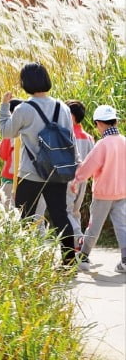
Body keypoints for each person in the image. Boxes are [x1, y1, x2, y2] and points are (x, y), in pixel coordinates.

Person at [0, 62, 76, 267]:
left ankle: (26, 262)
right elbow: (70, 139)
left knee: (24, 216)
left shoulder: (24, 108)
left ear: (25, 82)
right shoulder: (63, 107)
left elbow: (6, 132)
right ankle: (69, 262)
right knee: (61, 216)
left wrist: (4, 107)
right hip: (57, 172)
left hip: (31, 173)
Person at [70, 105, 126, 272]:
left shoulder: (103, 144)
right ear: (115, 121)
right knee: (123, 225)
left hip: (103, 193)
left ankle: (84, 256)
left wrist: (76, 179)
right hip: (122, 192)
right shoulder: (124, 141)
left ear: (99, 124)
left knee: (94, 226)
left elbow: (89, 165)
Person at [64, 100, 95, 250]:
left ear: (71, 116)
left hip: (69, 179)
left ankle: (79, 239)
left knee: (66, 211)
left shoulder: (67, 135)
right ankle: (77, 243)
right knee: (75, 211)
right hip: (84, 180)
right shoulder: (89, 138)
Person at [0, 98, 23, 208]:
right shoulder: (27, 130)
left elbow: (3, 154)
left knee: (6, 208)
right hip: (24, 176)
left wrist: (0, 147)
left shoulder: (9, 132)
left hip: (9, 176)